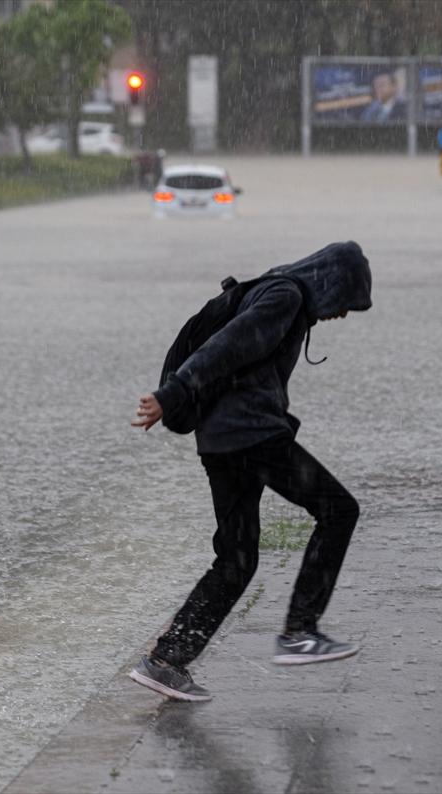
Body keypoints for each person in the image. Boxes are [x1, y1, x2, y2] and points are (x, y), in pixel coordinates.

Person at [128, 242, 373, 702]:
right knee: (338, 510)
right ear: (331, 281)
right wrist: (172, 394)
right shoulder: (286, 297)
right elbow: (226, 347)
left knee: (238, 558)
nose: (342, 314)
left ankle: (166, 661)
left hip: (221, 443)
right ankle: (300, 631)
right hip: (251, 436)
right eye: (345, 301)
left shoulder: (275, 291)